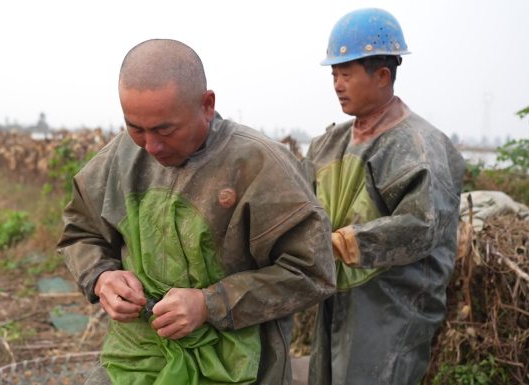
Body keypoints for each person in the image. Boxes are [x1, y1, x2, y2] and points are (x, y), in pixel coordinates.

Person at [57, 39, 336, 385]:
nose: (151, 146)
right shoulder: (119, 159)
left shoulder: (260, 167)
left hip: (237, 366)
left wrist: (210, 304)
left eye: (165, 129)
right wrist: (102, 277)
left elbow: (314, 272)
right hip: (136, 359)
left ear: (206, 105)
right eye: (135, 128)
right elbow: (80, 232)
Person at [302, 8, 466, 385]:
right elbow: (298, 202)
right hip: (338, 298)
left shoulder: (419, 146)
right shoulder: (331, 143)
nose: (337, 84)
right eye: (334, 74)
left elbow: (422, 225)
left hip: (391, 310)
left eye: (346, 74)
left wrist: (344, 243)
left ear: (382, 75)